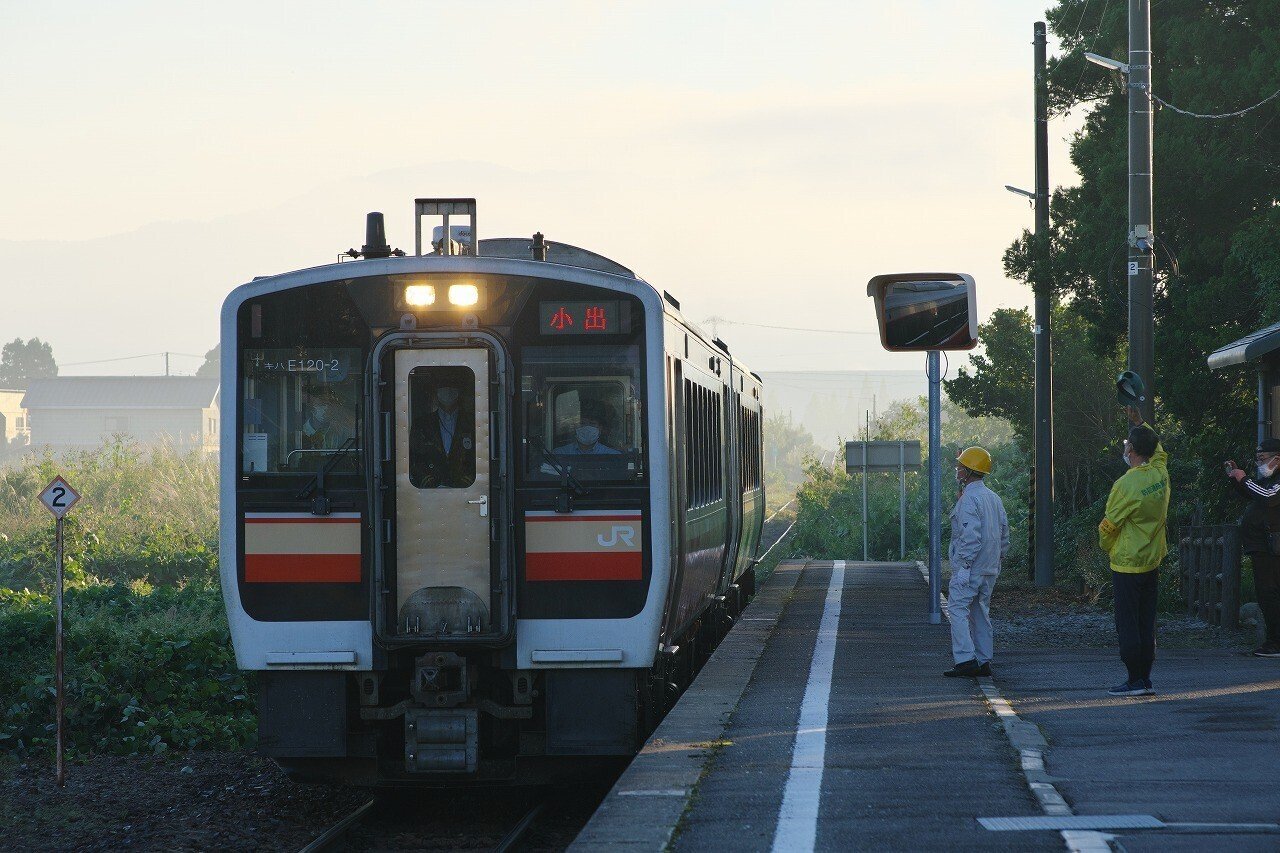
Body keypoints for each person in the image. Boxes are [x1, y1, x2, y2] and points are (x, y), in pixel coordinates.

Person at [1098, 405, 1170, 697]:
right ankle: (1146, 677)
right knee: (1146, 620)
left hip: (1127, 562)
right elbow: (1159, 449)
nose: (1125, 448)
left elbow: (1110, 524)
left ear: (1133, 451)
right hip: (1152, 559)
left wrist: (1106, 546)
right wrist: (1141, 422)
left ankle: (1134, 679)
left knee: (1127, 622)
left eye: (1127, 444)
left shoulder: (1126, 483)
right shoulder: (1160, 473)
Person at [944, 446, 1010, 678]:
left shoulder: (969, 500)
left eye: (961, 466)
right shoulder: (994, 498)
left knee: (957, 609)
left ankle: (965, 659)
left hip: (971, 568)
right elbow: (1004, 534)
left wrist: (963, 566)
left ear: (970, 471)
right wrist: (998, 560)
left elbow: (970, 537)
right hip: (989, 568)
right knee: (980, 611)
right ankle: (983, 660)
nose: (958, 470)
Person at [1225, 438, 1280, 658]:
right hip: (1263, 546)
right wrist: (1237, 479)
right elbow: (1254, 494)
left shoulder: (1276, 483)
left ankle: (1276, 642)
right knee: (1267, 594)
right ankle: (1274, 640)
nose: (1260, 463)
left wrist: (1244, 478)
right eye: (1257, 459)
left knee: (1270, 593)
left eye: (1263, 459)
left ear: (1277, 458)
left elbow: (1269, 497)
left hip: (1271, 546)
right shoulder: (1268, 479)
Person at [409, 382, 475, 488]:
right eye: (442, 388)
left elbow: (478, 454)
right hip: (430, 489)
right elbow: (414, 457)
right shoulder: (421, 423)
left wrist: (468, 479)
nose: (448, 392)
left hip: (465, 488)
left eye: (453, 388)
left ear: (459, 393)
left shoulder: (472, 422)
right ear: (436, 393)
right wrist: (426, 481)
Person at [553, 400, 620, 455]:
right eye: (582, 423)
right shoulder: (560, 453)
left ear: (600, 428)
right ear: (575, 427)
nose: (587, 428)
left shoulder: (612, 455)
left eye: (592, 423)